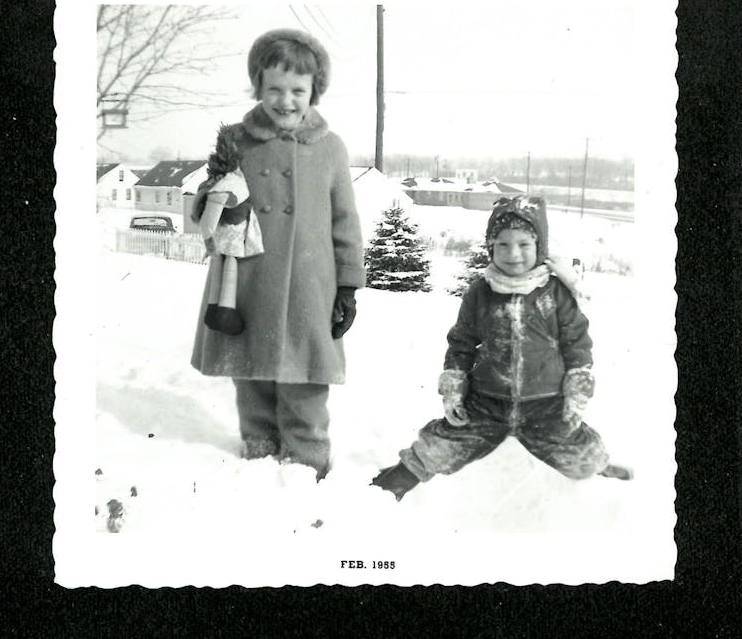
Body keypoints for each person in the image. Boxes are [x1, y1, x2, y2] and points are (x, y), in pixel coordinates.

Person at [371, 196, 630, 500]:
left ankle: (608, 478)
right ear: (491, 248)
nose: (513, 254)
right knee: (440, 446)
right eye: (503, 244)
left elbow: (578, 346)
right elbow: (461, 344)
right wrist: (455, 389)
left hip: (545, 404)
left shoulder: (555, 293)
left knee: (581, 453)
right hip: (486, 403)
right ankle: (389, 487)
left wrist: (576, 394)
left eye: (524, 244)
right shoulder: (481, 292)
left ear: (539, 248)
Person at [190, 28, 364, 479]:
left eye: (298, 91)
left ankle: (306, 462)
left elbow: (345, 219)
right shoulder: (235, 141)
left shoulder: (330, 147)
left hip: (311, 283)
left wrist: (347, 286)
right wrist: (214, 198)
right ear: (258, 86)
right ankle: (260, 449)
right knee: (251, 372)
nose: (286, 101)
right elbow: (207, 200)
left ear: (315, 92)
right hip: (246, 279)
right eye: (274, 89)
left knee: (305, 376)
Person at [196, 125, 266, 335]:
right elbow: (208, 221)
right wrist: (208, 241)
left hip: (225, 233)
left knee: (221, 262)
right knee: (230, 265)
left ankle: (214, 308)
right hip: (231, 233)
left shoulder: (225, 181)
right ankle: (225, 308)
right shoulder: (231, 183)